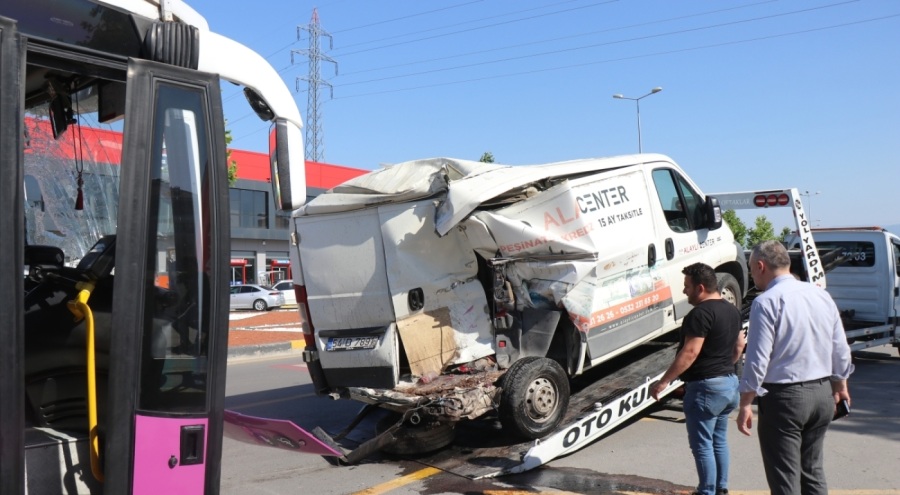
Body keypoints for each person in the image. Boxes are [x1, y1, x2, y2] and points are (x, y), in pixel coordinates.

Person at [737, 240, 854, 495]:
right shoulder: (820, 295)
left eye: (751, 269)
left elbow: (758, 359)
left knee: (784, 480)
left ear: (760, 266)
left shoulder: (765, 302)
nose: (752, 275)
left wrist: (746, 401)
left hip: (785, 399)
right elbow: (840, 349)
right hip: (822, 394)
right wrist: (840, 385)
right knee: (813, 472)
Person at [651, 262, 745, 495]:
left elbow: (690, 352)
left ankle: (707, 491)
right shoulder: (732, 310)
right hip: (729, 383)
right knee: (719, 440)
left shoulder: (699, 314)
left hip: (705, 387)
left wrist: (664, 382)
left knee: (702, 446)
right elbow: (740, 345)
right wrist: (726, 366)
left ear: (700, 288)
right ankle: (721, 488)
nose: (684, 291)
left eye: (687, 286)